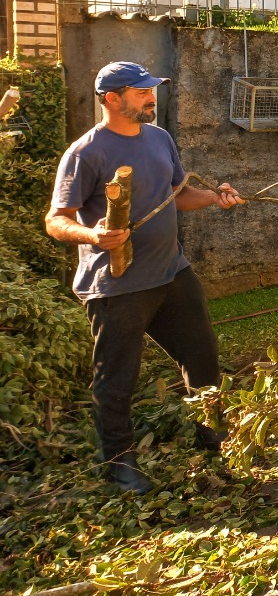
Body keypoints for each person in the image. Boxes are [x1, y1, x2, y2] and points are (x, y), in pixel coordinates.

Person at [46, 62, 244, 495]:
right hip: (116, 286)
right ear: (112, 99)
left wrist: (213, 197)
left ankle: (213, 440)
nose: (152, 97)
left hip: (171, 272)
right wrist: (92, 235)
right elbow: (56, 220)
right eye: (140, 92)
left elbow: (177, 194)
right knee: (117, 378)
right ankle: (119, 462)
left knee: (203, 357)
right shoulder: (86, 152)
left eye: (152, 90)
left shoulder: (160, 138)